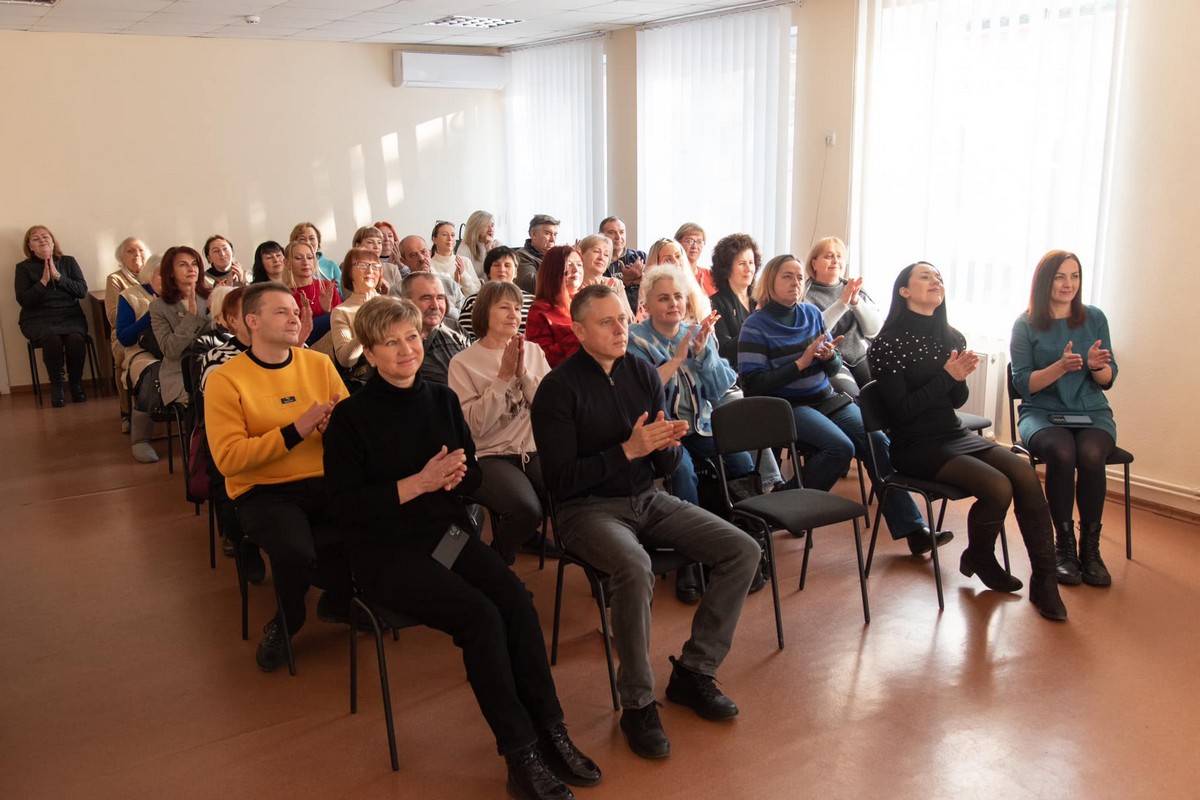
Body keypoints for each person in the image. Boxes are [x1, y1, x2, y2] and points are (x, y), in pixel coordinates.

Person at [323, 296, 599, 800]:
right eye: (392, 342)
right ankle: (519, 755)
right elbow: (343, 508)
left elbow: (471, 471)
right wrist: (420, 483)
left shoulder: (440, 400)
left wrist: (456, 478)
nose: (407, 349)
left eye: (411, 337)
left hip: (445, 538)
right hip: (386, 554)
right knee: (480, 617)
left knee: (515, 601)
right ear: (369, 351)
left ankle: (551, 729)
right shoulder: (351, 418)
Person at [531, 284, 761, 760]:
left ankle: (694, 672)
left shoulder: (640, 371)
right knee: (633, 567)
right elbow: (560, 481)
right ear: (578, 330)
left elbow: (660, 469)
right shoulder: (557, 389)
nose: (621, 330)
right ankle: (637, 703)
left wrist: (667, 449)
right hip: (584, 510)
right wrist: (628, 450)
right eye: (606, 322)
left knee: (743, 550)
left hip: (646, 498)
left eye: (622, 319)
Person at [869, 262, 1068, 620]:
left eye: (939, 278)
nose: (936, 282)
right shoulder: (887, 343)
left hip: (952, 433)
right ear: (904, 291)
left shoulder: (952, 336)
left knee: (1022, 474)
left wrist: (957, 379)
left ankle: (1045, 581)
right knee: (996, 487)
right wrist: (947, 376)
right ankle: (981, 557)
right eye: (926, 277)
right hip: (915, 444)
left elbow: (956, 401)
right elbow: (901, 412)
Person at [737, 254, 937, 555]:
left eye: (799, 277)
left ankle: (912, 528)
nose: (795, 283)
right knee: (839, 448)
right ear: (770, 283)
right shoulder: (755, 325)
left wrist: (831, 357)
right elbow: (752, 385)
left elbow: (834, 368)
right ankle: (781, 508)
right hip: (786, 406)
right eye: (786, 277)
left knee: (876, 440)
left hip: (825, 398)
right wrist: (800, 364)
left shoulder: (812, 314)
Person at [205, 282, 351, 672]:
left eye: (295, 311)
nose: (295, 318)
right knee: (296, 552)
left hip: (323, 480)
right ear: (252, 321)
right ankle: (288, 622)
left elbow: (351, 428)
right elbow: (229, 459)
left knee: (375, 519)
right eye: (281, 312)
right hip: (263, 491)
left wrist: (332, 429)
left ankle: (338, 601)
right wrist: (295, 431)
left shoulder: (318, 365)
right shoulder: (226, 379)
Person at [628, 267, 758, 604]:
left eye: (677, 297)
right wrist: (678, 359)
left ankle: (742, 540)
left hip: (699, 424)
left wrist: (702, 355)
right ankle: (691, 557)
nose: (672, 303)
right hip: (662, 429)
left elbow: (718, 389)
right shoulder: (634, 339)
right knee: (682, 471)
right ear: (647, 303)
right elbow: (640, 394)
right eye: (663, 298)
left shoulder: (696, 331)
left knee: (741, 460)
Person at [1010, 250, 1118, 587]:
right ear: (1045, 281)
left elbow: (1108, 381)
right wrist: (1060, 366)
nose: (1068, 283)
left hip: (1091, 410)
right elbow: (1024, 385)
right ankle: (1064, 547)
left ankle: (1091, 550)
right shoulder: (1026, 323)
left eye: (1074, 276)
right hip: (1041, 411)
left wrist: (1098, 366)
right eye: (1060, 276)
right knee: (1062, 453)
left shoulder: (1095, 317)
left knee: (1089, 453)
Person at [449, 282, 552, 563]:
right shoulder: (462, 362)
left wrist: (524, 375)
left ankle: (527, 539)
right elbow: (475, 427)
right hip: (490, 455)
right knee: (525, 510)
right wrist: (503, 378)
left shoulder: (532, 351)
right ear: (484, 312)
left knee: (572, 493)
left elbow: (549, 409)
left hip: (533, 449)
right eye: (504, 307)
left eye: (517, 308)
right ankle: (498, 559)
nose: (513, 313)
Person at [14, 225, 90, 407]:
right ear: (30, 246)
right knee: (52, 338)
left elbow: (82, 291)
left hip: (69, 314)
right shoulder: (23, 268)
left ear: (53, 240)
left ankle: (76, 383)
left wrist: (58, 277)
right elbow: (24, 300)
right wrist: (43, 281)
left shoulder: (68, 262)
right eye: (36, 238)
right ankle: (57, 386)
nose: (42, 240)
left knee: (75, 338)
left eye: (45, 236)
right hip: (37, 318)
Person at [803, 236, 883, 392]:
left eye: (839, 256)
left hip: (861, 357)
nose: (835, 260)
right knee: (854, 397)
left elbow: (873, 330)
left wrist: (855, 302)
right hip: (830, 360)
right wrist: (842, 303)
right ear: (814, 263)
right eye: (828, 256)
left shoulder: (854, 289)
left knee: (881, 393)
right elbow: (814, 333)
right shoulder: (804, 295)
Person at [148, 245, 211, 414]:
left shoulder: (211, 298)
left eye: (195, 264)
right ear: (170, 272)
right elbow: (170, 350)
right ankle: (201, 440)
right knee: (210, 399)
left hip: (215, 366)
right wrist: (191, 317)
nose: (191, 268)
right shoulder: (158, 307)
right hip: (181, 375)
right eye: (183, 265)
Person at [115, 258, 162, 463]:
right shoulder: (130, 296)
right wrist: (150, 314)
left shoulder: (183, 294)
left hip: (175, 347)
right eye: (162, 274)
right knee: (154, 372)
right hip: (142, 351)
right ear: (150, 275)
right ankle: (140, 439)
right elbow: (125, 338)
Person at [105, 237, 151, 431]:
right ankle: (126, 412)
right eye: (130, 251)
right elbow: (113, 317)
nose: (136, 255)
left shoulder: (154, 276)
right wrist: (139, 310)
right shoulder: (116, 279)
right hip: (125, 331)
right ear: (121, 257)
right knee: (122, 358)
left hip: (154, 329)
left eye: (140, 250)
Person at [400, 271, 469, 385]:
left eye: (440, 298)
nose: (435, 305)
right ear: (406, 302)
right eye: (426, 298)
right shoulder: (394, 339)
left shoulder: (455, 329)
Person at [329, 247, 383, 389]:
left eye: (375, 266)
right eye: (363, 265)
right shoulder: (341, 311)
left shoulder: (393, 304)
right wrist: (365, 322)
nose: (370, 270)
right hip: (366, 384)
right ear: (349, 272)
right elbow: (346, 360)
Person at [526, 245, 584, 368]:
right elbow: (541, 360)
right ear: (554, 270)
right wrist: (582, 334)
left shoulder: (593, 301)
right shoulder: (540, 310)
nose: (575, 269)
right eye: (569, 265)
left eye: (579, 265)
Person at [459, 246, 535, 340]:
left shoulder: (533, 301)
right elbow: (464, 338)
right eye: (496, 265)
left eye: (507, 265)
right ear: (488, 272)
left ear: (516, 272)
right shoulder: (473, 301)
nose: (502, 270)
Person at [708, 233, 759, 370]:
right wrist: (756, 326)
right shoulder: (716, 303)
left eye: (751, 263)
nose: (748, 269)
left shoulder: (762, 298)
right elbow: (724, 351)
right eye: (742, 263)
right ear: (727, 268)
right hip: (736, 375)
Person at [393, 235, 466, 320]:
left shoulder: (448, 283)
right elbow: (400, 320)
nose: (421, 258)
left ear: (430, 253)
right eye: (413, 255)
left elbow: (466, 314)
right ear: (403, 261)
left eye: (424, 252)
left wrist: (446, 309)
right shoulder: (398, 290)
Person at [286, 240, 341, 346]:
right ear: (287, 263)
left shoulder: (326, 286)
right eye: (298, 258)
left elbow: (341, 323)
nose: (305, 262)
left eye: (310, 257)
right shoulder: (284, 294)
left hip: (332, 344)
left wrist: (327, 311)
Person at [645, 237, 712, 320]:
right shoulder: (647, 299)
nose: (676, 263)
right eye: (667, 260)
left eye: (678, 256)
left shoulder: (700, 298)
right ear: (656, 265)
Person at [600, 216, 645, 312]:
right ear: (601, 235)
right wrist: (625, 281)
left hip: (642, 313)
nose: (618, 237)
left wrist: (644, 279)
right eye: (612, 232)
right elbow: (600, 293)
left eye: (621, 232)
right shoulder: (599, 261)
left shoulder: (640, 257)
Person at [431, 219, 481, 296]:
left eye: (453, 235)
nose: (450, 238)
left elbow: (476, 295)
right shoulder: (430, 265)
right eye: (444, 234)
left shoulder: (464, 262)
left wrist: (463, 275)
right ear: (434, 240)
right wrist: (455, 285)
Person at [516, 214, 559, 294]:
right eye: (548, 233)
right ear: (533, 234)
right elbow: (532, 285)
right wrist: (558, 261)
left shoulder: (555, 255)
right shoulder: (522, 255)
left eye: (555, 234)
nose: (553, 239)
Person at [674, 222, 717, 296]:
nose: (695, 246)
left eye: (699, 242)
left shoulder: (711, 275)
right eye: (689, 241)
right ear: (677, 243)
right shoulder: (671, 275)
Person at [458, 210, 500, 280]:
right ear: (476, 228)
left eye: (492, 225)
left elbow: (500, 272)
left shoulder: (497, 244)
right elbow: (463, 278)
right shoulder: (465, 248)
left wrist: (489, 250)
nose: (491, 229)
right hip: (475, 289)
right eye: (486, 226)